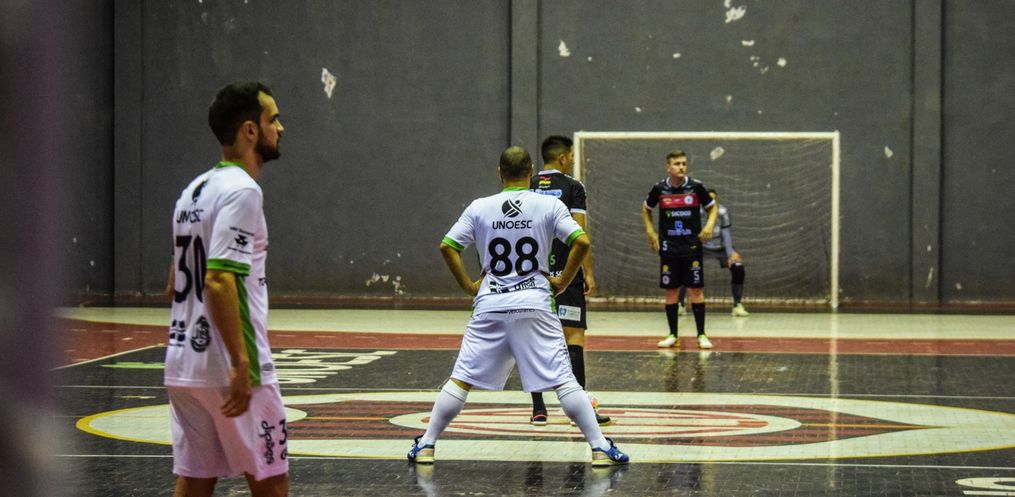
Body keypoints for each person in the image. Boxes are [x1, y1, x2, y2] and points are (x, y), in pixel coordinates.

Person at [407, 146, 628, 467]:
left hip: (490, 303)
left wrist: (469, 286)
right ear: (531, 172)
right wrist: (563, 281)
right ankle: (599, 448)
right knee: (564, 380)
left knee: (461, 378)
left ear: (499, 172)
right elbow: (581, 241)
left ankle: (427, 445)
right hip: (534, 302)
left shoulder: (480, 207)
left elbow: (448, 246)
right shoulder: (549, 204)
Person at [164, 81, 288, 497]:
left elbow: (173, 283)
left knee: (196, 479)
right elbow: (218, 279)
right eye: (273, 119)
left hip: (183, 363)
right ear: (250, 130)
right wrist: (239, 362)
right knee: (271, 478)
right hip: (229, 366)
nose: (280, 128)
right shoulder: (243, 190)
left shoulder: (193, 191)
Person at [528, 135, 610, 426]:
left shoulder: (528, 184)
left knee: (533, 339)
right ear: (562, 158)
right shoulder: (573, 187)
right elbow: (579, 233)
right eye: (572, 156)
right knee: (573, 337)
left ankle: (538, 409)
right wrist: (588, 272)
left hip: (531, 274)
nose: (573, 161)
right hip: (566, 273)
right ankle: (579, 410)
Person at [641, 149, 718, 350]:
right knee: (671, 291)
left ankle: (701, 335)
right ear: (668, 167)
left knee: (695, 290)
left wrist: (709, 225)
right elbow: (646, 209)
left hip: (692, 247)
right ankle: (672, 335)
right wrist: (650, 231)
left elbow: (713, 207)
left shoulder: (696, 186)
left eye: (684, 163)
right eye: (677, 164)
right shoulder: (659, 189)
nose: (681, 167)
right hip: (669, 248)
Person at [677, 189, 749, 316]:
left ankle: (737, 305)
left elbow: (726, 234)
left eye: (714, 199)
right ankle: (680, 304)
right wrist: (689, 250)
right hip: (700, 247)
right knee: (684, 267)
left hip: (721, 247)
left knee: (738, 267)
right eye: (708, 199)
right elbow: (690, 234)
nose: (711, 202)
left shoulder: (723, 212)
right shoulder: (695, 212)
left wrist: (730, 253)